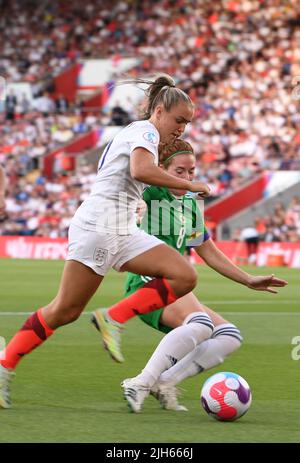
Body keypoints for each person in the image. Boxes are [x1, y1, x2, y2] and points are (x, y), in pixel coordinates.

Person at [0, 74, 211, 409]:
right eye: (179, 120)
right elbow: (141, 170)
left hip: (122, 227)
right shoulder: (144, 131)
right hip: (100, 225)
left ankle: (112, 317)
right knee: (65, 310)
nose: (182, 128)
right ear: (158, 111)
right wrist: (189, 185)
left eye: (187, 122)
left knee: (185, 276)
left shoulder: (145, 134)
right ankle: (4, 364)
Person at [92, 138, 288, 413]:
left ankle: (165, 382)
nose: (187, 178)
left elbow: (208, 251)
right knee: (201, 324)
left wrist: (248, 279)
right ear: (162, 169)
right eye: (179, 172)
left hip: (177, 286)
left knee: (229, 336)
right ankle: (140, 383)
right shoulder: (151, 193)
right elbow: (128, 184)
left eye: (191, 172)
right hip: (147, 282)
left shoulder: (189, 205)